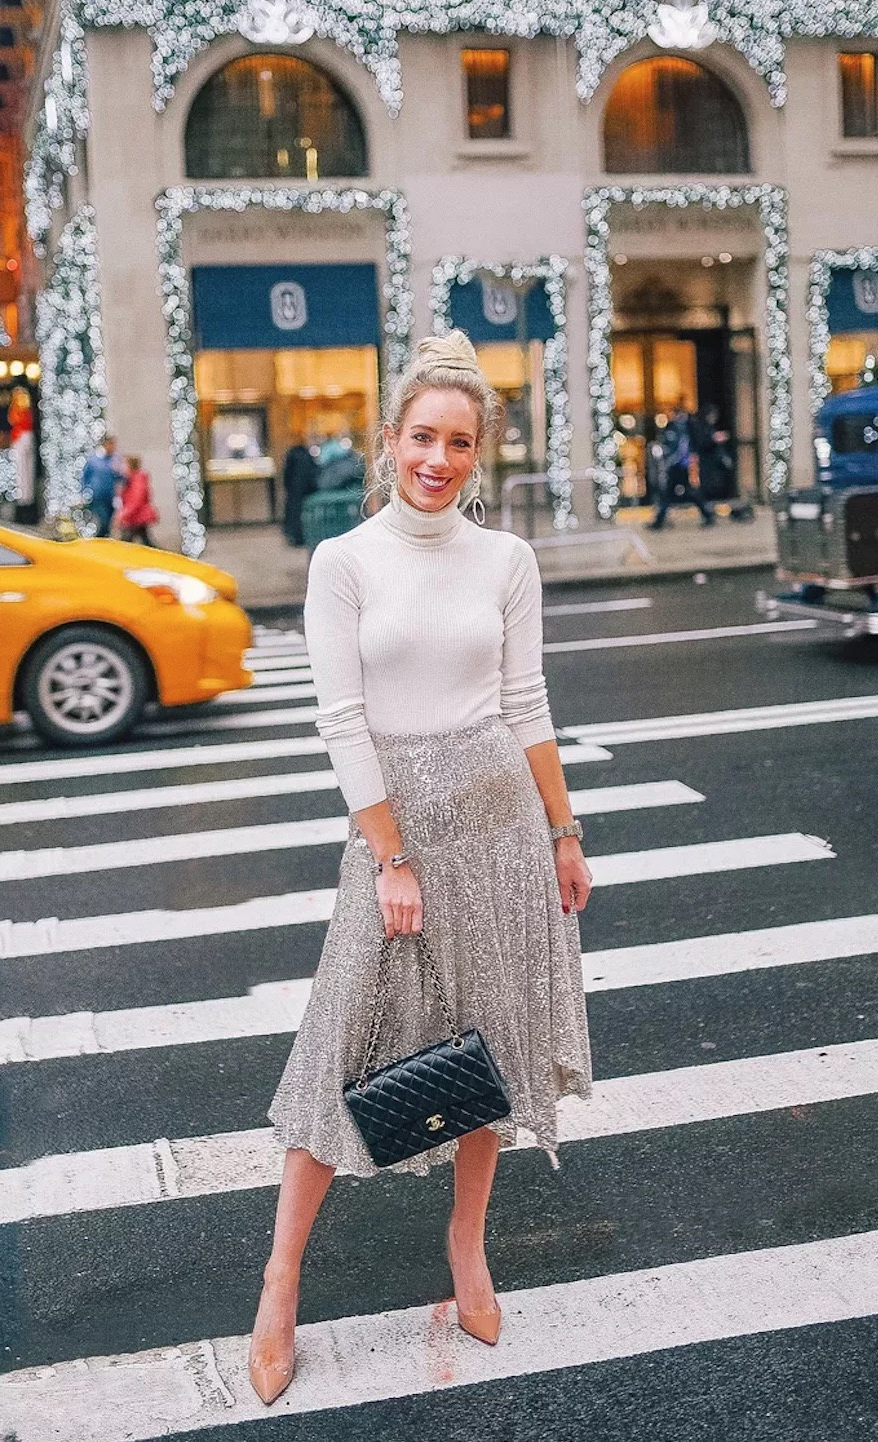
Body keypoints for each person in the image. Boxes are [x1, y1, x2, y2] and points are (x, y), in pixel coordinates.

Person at [249, 332, 594, 1405]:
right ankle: (278, 1279)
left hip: (499, 823)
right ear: (387, 440)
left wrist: (563, 829)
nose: (437, 457)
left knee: (484, 1047)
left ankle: (467, 1245)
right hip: (397, 831)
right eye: (421, 437)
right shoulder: (345, 560)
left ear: (479, 450)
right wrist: (388, 852)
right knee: (340, 1049)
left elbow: (525, 700)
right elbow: (342, 718)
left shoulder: (506, 560)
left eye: (458, 441)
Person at [647, 405, 714, 530]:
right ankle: (707, 514)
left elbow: (685, 446)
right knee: (676, 493)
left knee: (674, 493)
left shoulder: (686, 428)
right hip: (677, 465)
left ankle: (659, 521)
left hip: (679, 465)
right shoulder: (676, 428)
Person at [80, 434, 123, 538]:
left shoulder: (116, 459)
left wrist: (118, 472)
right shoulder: (93, 460)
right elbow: (85, 477)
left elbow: (120, 478)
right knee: (103, 520)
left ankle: (103, 542)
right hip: (98, 496)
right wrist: (83, 493)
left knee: (109, 522)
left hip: (111, 496)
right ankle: (98, 540)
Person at [281, 440, 317, 548]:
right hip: (303, 490)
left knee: (293, 510)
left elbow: (286, 476)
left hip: (294, 489)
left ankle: (294, 536)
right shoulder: (305, 455)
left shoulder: (294, 454)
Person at [117, 455, 159, 544]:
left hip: (136, 517)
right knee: (145, 541)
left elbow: (136, 501)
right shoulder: (132, 479)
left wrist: (123, 514)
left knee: (126, 543)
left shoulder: (137, 481)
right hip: (135, 517)